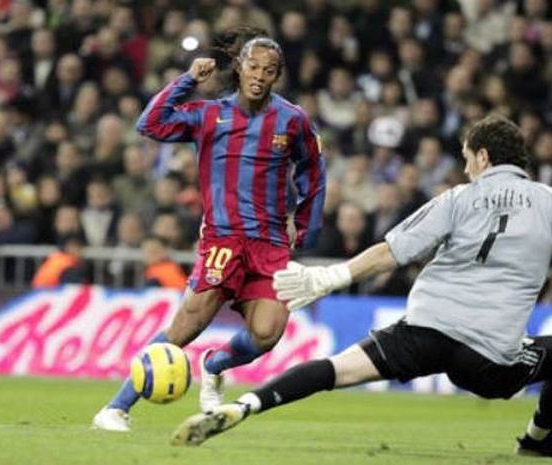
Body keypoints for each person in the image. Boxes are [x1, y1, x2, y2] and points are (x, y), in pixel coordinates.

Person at [170, 115, 552, 457]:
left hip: (426, 331)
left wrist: (331, 276)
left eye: (468, 159)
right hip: (490, 357)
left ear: (483, 157)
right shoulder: (548, 203)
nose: (467, 169)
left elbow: (393, 251)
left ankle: (244, 406)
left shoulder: (458, 198)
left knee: (336, 370)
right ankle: (536, 441)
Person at [93, 29, 325, 431]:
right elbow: (150, 125)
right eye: (253, 67)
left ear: (277, 75)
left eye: (269, 71)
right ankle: (115, 408)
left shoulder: (293, 120)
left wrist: (303, 225)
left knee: (267, 333)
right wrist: (186, 82)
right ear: (239, 67)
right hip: (223, 237)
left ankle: (216, 364)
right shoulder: (209, 114)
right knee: (189, 322)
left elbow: (313, 172)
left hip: (269, 244)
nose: (259, 76)